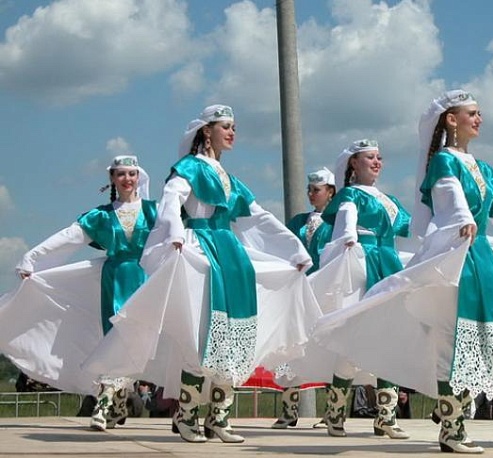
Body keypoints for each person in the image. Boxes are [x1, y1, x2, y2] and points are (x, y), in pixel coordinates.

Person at [312, 90, 493, 454]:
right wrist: (462, 218)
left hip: (481, 255)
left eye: (480, 112)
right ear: (451, 120)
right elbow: (448, 196)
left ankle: (444, 414)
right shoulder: (443, 163)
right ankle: (450, 427)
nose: (479, 118)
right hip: (454, 255)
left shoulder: (481, 169)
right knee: (451, 341)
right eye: (472, 113)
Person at [82, 105, 322, 444]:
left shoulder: (231, 179)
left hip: (231, 254)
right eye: (226, 126)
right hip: (199, 248)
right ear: (206, 131)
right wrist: (175, 232)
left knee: (232, 336)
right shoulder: (190, 167)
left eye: (234, 127)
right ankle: (187, 415)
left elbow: (258, 216)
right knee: (201, 333)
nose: (232, 132)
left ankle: (218, 418)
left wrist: (294, 248)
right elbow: (170, 200)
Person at [0, 155, 155, 431]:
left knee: (136, 340)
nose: (127, 179)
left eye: (132, 174)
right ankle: (107, 403)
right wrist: (32, 258)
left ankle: (116, 404)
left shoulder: (154, 211)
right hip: (115, 278)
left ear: (139, 176)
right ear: (112, 179)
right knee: (117, 336)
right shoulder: (101, 216)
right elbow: (68, 237)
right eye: (121, 174)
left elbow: (177, 234)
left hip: (146, 279)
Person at [316, 139, 412, 439]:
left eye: (379, 157)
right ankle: (335, 414)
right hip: (363, 261)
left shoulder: (390, 199)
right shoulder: (349, 195)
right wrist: (347, 239)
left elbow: (412, 232)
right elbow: (346, 220)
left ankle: (386, 416)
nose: (377, 162)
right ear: (353, 164)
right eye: (370, 157)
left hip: (389, 263)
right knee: (354, 339)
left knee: (391, 339)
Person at [270, 167, 336, 429]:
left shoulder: (338, 222)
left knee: (330, 347)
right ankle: (289, 410)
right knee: (292, 346)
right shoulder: (297, 222)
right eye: (309, 190)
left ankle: (333, 410)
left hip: (326, 291)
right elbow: (284, 248)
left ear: (330, 192)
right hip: (299, 292)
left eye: (316, 190)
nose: (311, 194)